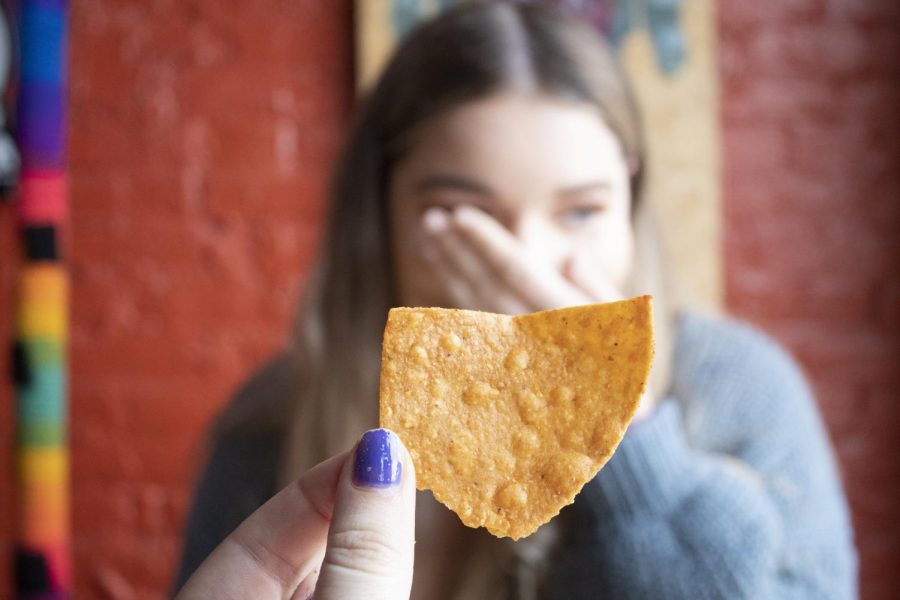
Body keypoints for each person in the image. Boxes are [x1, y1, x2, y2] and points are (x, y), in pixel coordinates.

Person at [173, 2, 858, 598]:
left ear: (631, 204)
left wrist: (626, 440)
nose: (525, 264)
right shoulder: (271, 427)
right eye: (465, 216)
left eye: (582, 212)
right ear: (378, 217)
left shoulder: (744, 392)